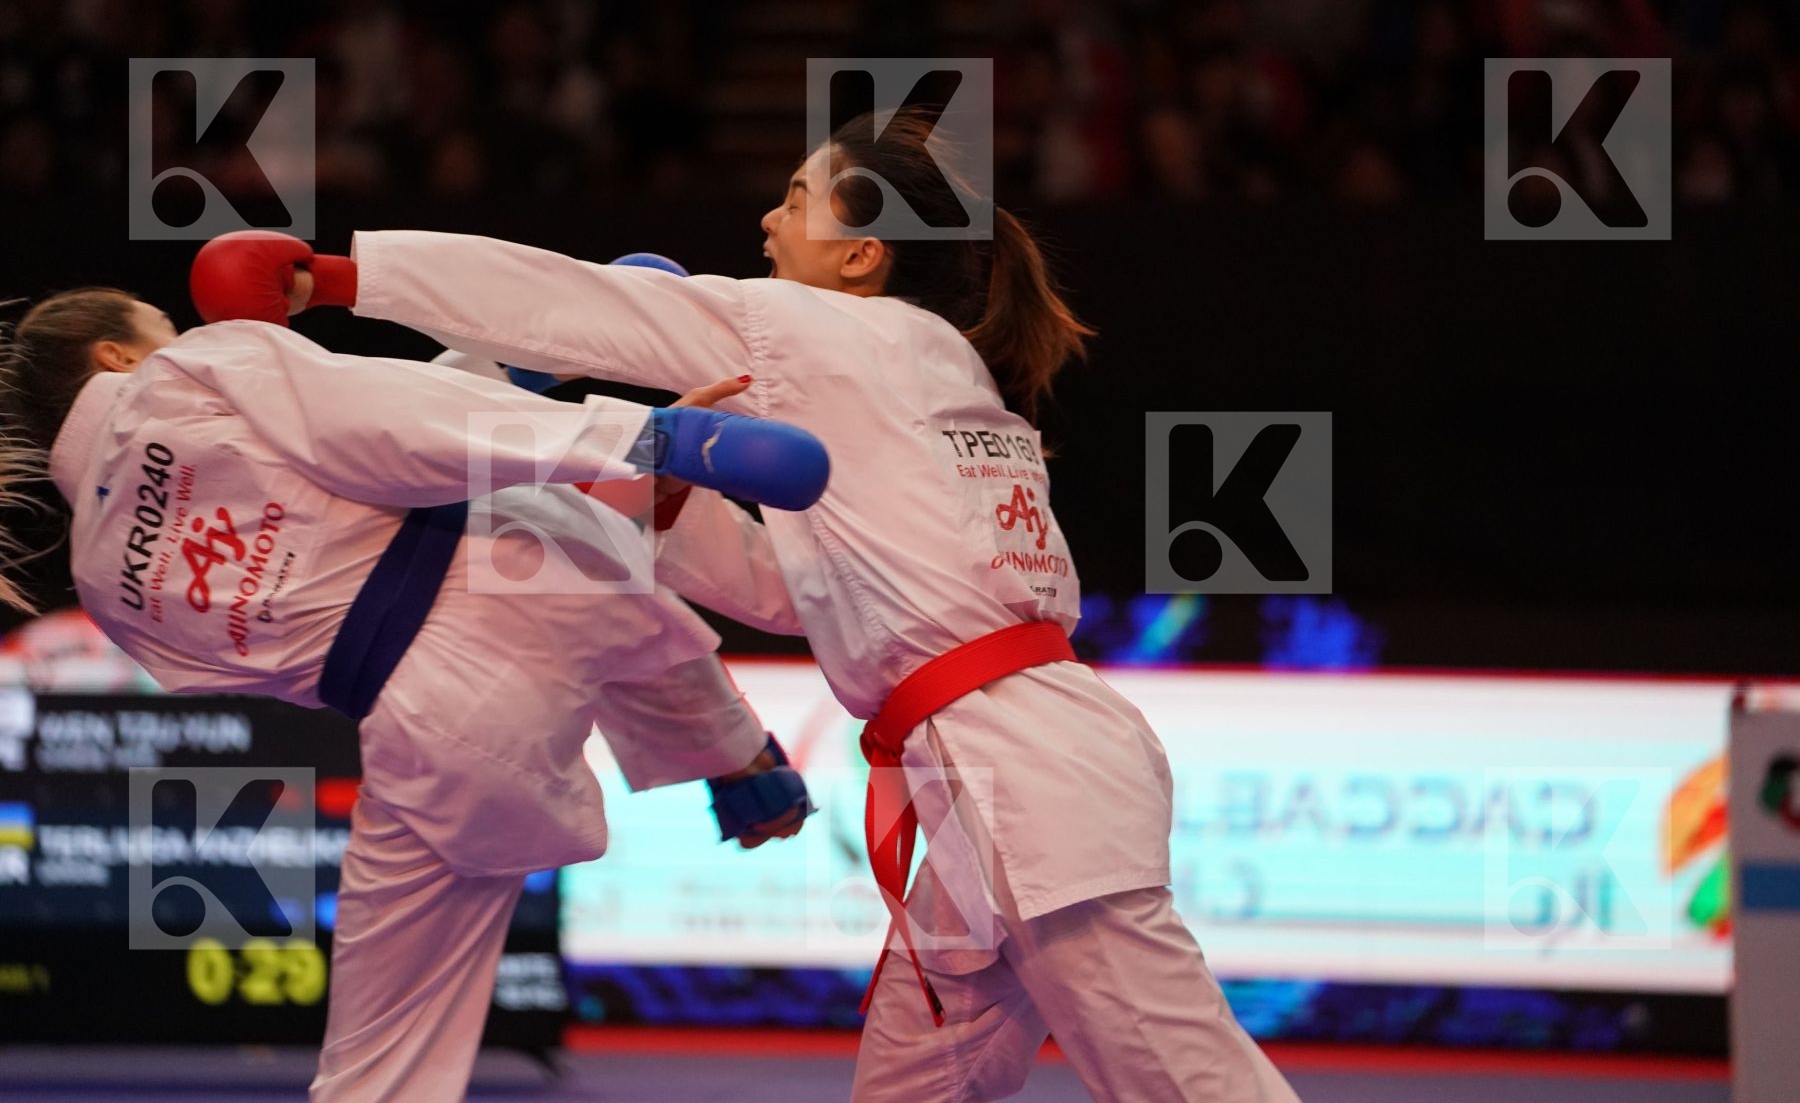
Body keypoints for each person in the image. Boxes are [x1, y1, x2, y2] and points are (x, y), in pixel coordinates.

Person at [194, 108, 1300, 1102]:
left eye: (797, 200)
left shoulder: (830, 333)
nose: (769, 221)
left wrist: (338, 279)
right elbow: (794, 596)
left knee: (1187, 1081)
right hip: (996, 767)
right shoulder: (942, 385)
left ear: (861, 256)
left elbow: (581, 304)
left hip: (1025, 772)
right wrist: (670, 485)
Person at [0, 285, 828, 1100]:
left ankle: (730, 736)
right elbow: (378, 420)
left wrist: (493, 380)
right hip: (540, 568)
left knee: (378, 1064)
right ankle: (743, 750)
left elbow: (303, 586)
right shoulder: (187, 372)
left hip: (434, 722)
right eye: (160, 327)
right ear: (114, 356)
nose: (176, 335)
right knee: (573, 547)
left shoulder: (102, 580)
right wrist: (643, 433)